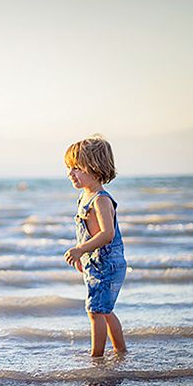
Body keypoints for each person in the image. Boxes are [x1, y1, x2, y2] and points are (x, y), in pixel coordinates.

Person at [62, 135, 127, 357]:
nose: (70, 173)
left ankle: (96, 356)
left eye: (76, 168)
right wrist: (82, 256)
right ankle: (120, 351)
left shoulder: (100, 200)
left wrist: (80, 250)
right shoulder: (84, 197)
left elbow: (107, 234)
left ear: (95, 168)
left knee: (96, 311)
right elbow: (86, 233)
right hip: (95, 262)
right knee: (104, 311)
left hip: (107, 263)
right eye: (69, 168)